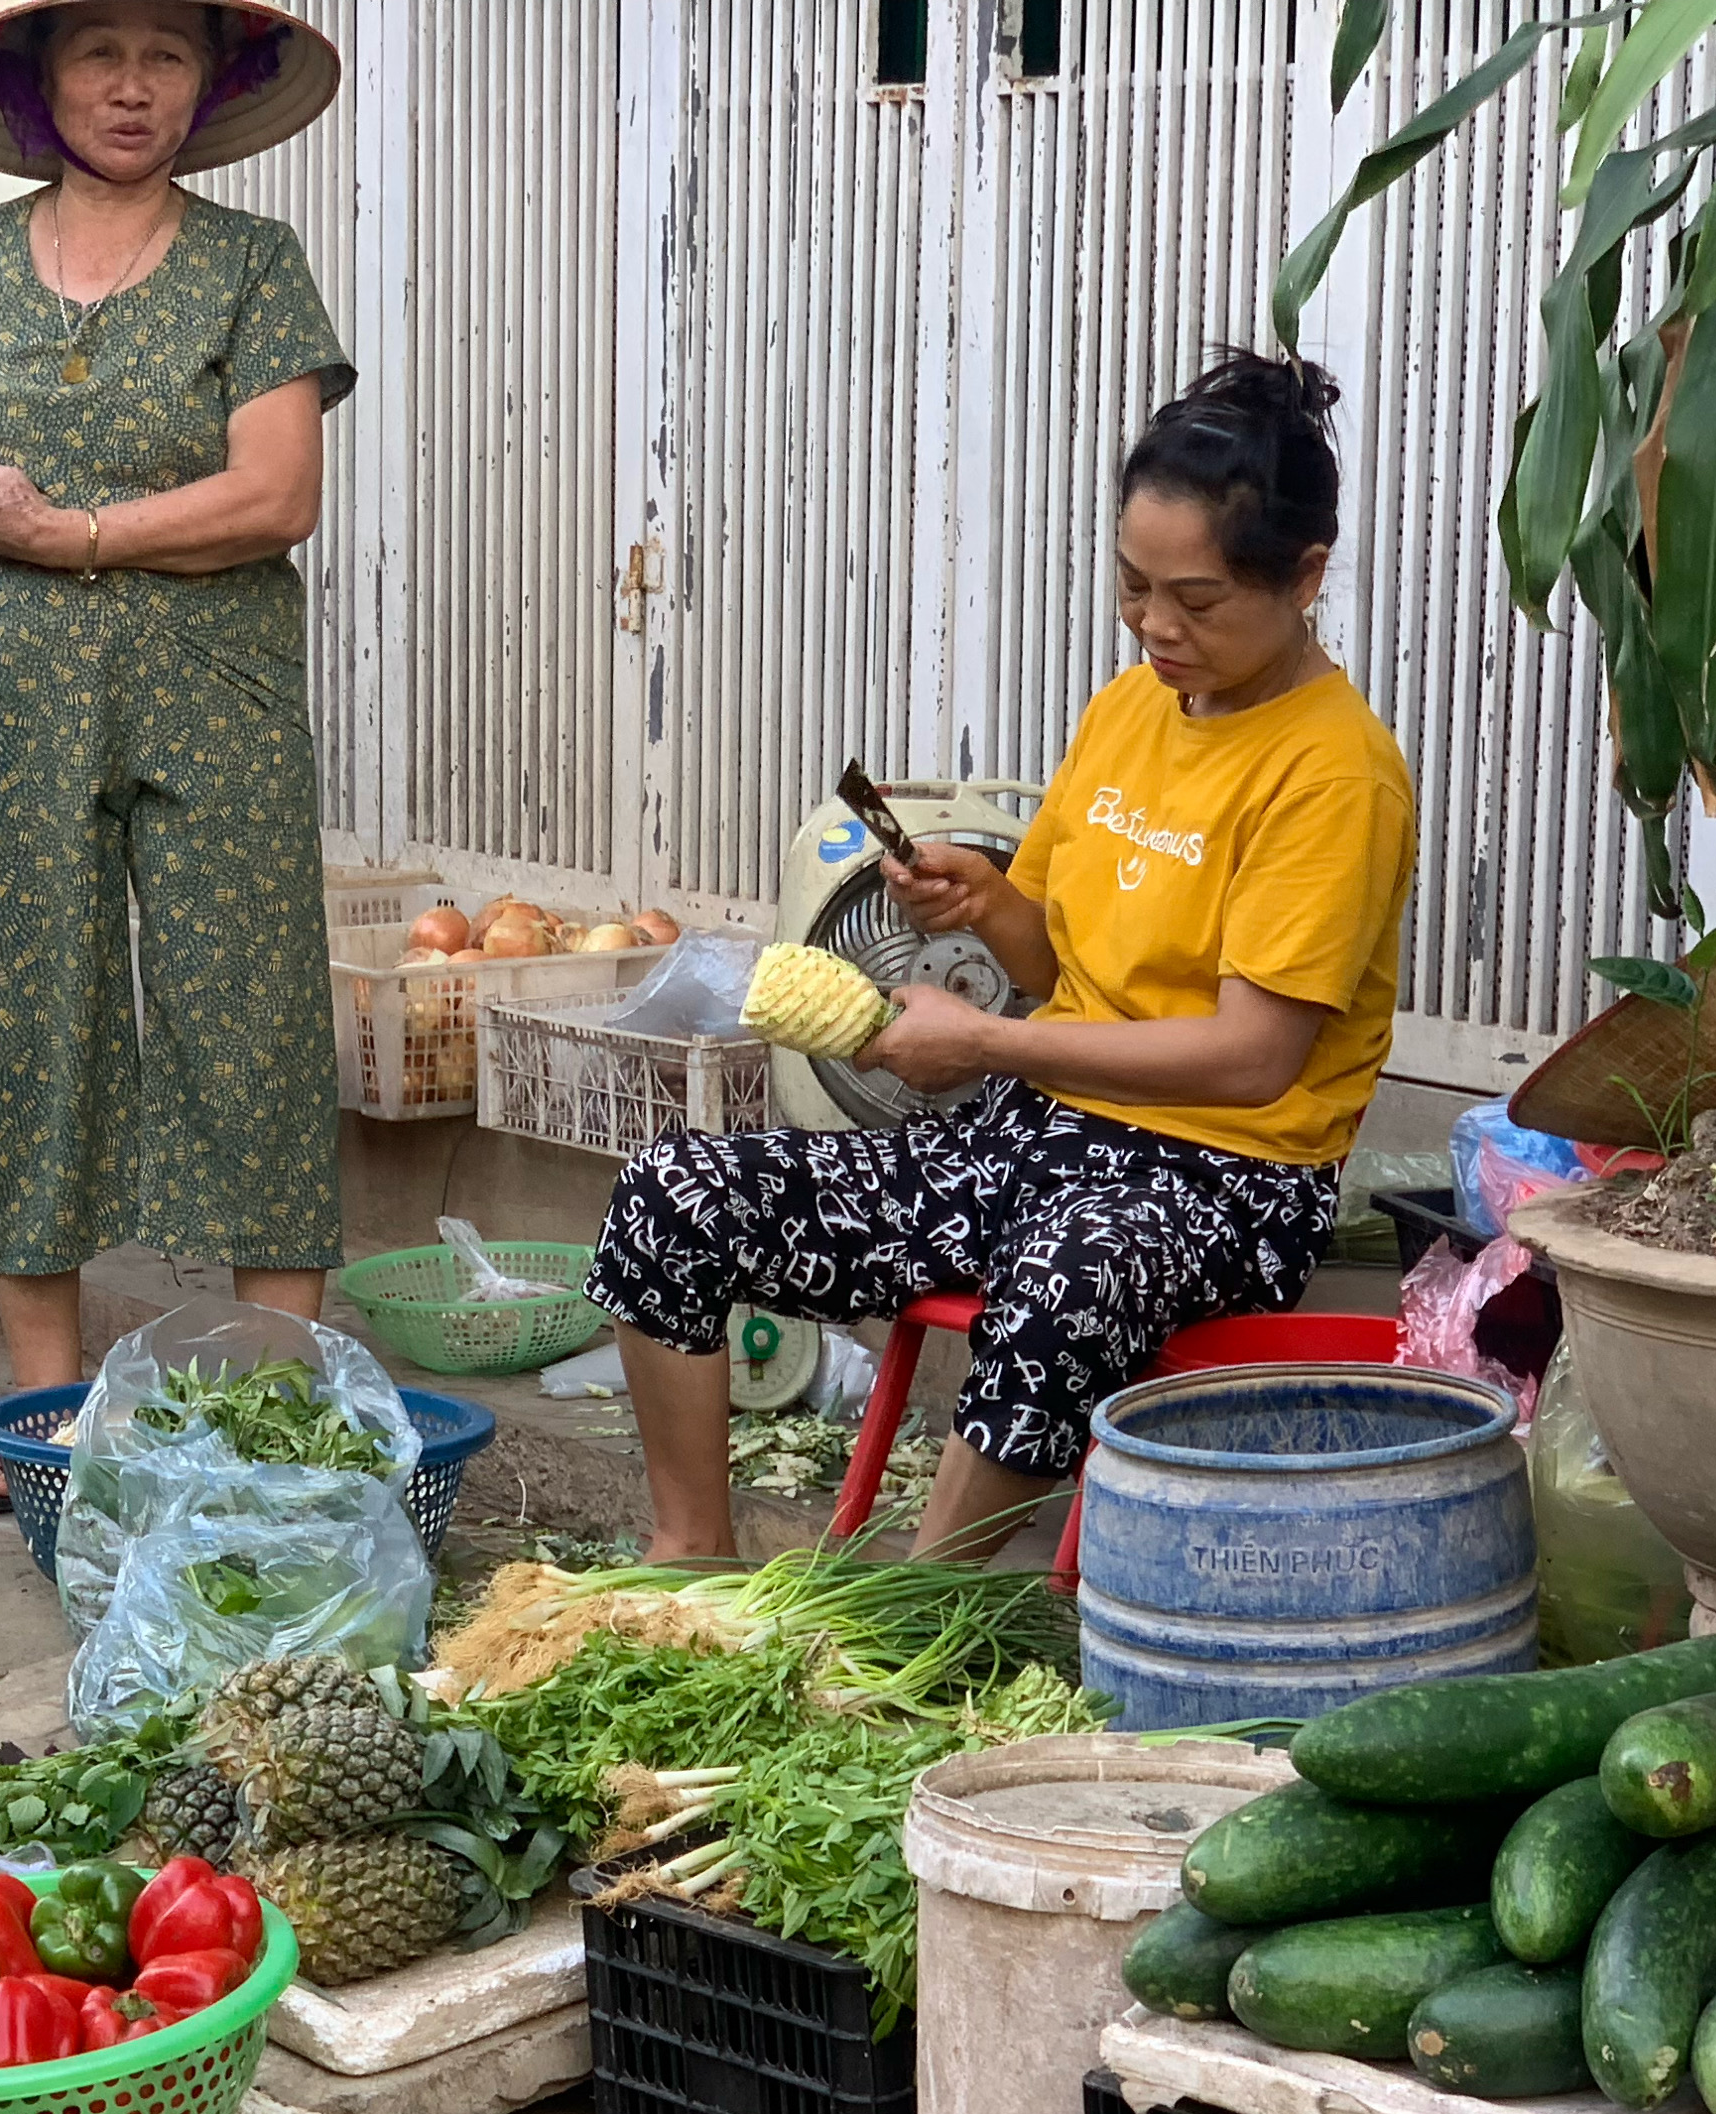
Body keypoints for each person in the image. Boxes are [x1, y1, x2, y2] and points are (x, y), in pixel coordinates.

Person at [590, 353, 1415, 1565]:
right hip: (1037, 1135)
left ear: (1303, 576)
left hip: (1225, 1181)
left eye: (1195, 599)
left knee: (1067, 1276)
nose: (1155, 627)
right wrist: (988, 909)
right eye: (1133, 588)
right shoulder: (1131, 707)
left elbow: (1251, 1060)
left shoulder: (1335, 774)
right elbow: (1062, 964)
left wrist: (979, 1042)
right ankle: (692, 1561)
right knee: (678, 1195)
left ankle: (906, 1612)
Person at [0, 2, 353, 1512]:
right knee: (24, 999)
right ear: (38, 81)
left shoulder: (255, 264)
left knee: (247, 995)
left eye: (166, 55)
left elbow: (276, 492)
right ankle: (45, 1404)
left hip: (215, 680)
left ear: (212, 81)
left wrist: (76, 535)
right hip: (7, 695)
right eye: (99, 51)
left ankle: (267, 1406)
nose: (132, 85)